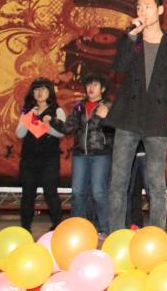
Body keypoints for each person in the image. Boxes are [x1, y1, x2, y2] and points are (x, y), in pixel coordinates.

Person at [106, 0, 167, 230]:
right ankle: (115, 234)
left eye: (148, 7)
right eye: (139, 7)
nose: (142, 11)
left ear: (160, 10)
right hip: (128, 118)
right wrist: (132, 36)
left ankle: (156, 235)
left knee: (156, 183)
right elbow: (119, 68)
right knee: (118, 181)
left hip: (157, 120)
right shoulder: (131, 40)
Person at [51, 73, 113, 235]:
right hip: (80, 154)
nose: (91, 88)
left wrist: (107, 117)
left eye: (95, 85)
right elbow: (68, 128)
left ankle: (104, 228)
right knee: (78, 192)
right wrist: (52, 120)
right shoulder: (79, 106)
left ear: (102, 89)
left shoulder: (108, 105)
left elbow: (115, 128)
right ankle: (78, 230)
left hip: (101, 154)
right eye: (88, 85)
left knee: (98, 192)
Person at [16, 77, 66, 232]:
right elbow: (19, 134)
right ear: (32, 93)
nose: (40, 92)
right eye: (36, 89)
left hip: (49, 159)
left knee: (50, 192)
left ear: (49, 92)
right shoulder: (27, 111)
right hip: (29, 159)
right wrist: (28, 118)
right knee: (28, 194)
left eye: (44, 89)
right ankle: (25, 229)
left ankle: (57, 227)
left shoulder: (57, 110)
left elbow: (62, 132)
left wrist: (48, 126)